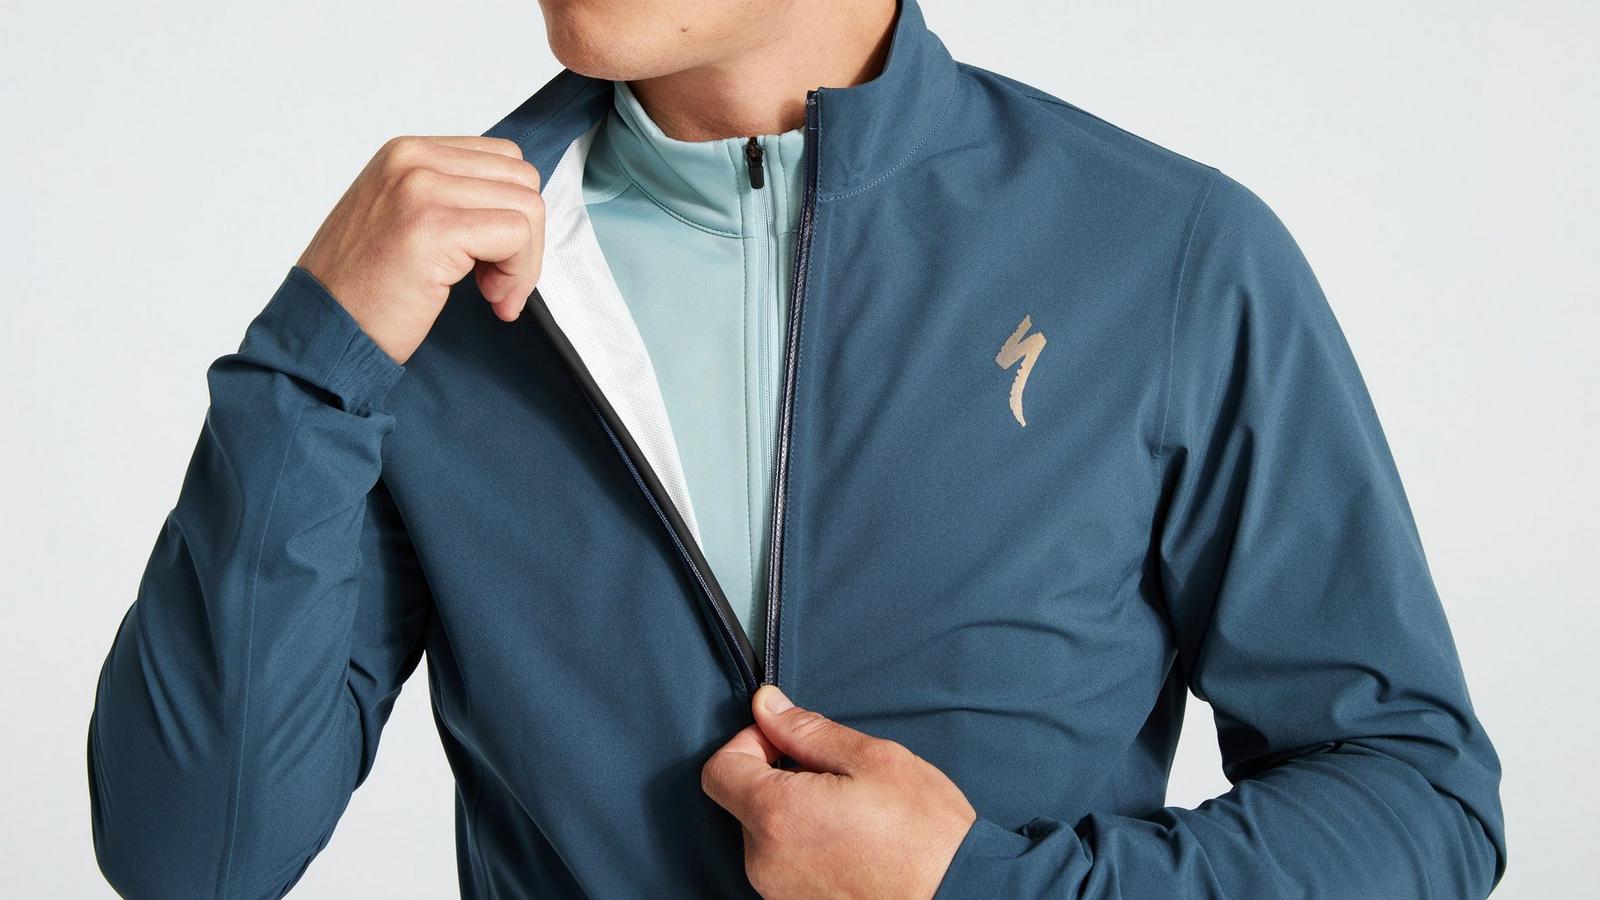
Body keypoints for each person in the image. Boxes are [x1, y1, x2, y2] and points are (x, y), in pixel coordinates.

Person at [86, 0, 1508, 896]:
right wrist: (312, 359)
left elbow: (1418, 801)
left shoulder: (1162, 253)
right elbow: (190, 856)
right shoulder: (429, 297)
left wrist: (982, 890)